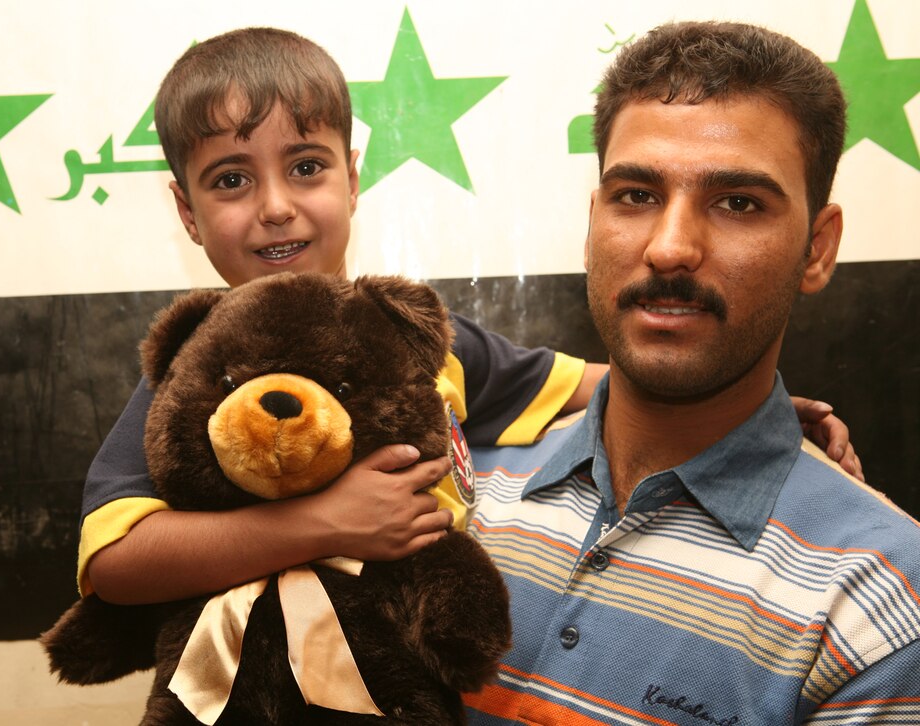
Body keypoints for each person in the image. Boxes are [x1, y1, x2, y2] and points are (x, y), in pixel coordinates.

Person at [78, 27, 858, 608]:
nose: (277, 208)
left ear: (352, 179)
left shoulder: (416, 335)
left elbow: (594, 383)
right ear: (186, 210)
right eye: (230, 181)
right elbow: (112, 561)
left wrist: (766, 414)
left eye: (306, 167)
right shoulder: (200, 366)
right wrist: (322, 524)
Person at [463, 21, 918, 725]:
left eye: (738, 203)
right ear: (592, 226)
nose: (671, 247)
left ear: (818, 250)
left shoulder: (879, 603)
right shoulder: (458, 487)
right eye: (636, 196)